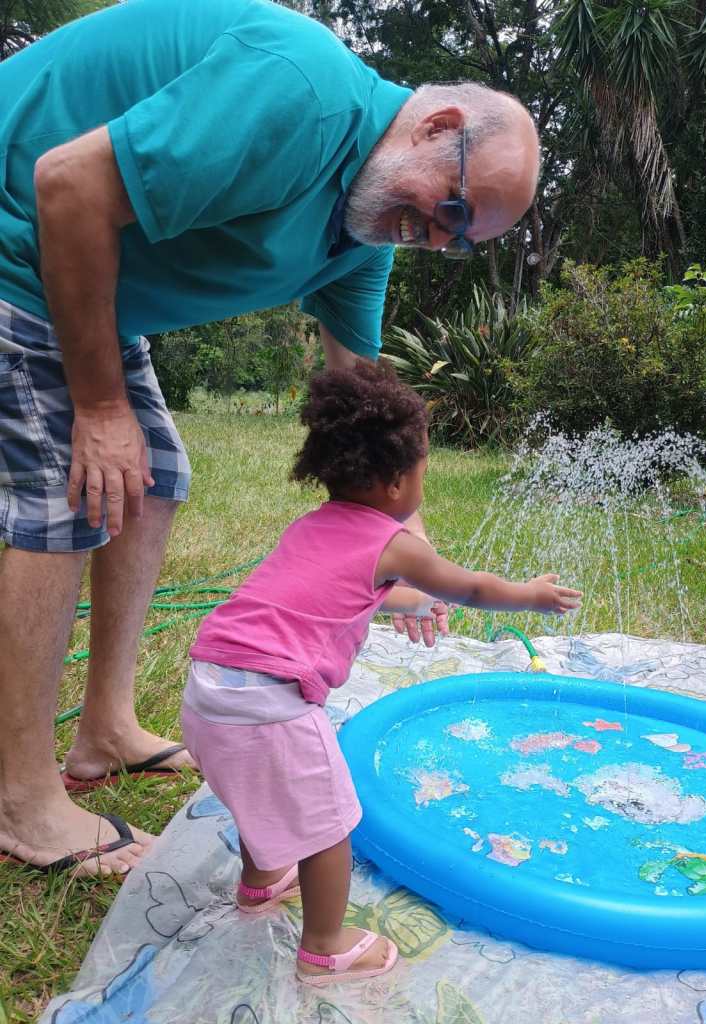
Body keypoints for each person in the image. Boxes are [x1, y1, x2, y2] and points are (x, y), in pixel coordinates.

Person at [0, 0, 540, 875]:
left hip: (93, 290)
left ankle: (106, 728)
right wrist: (98, 409)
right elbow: (67, 185)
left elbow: (369, 408)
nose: (436, 236)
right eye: (451, 207)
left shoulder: (361, 235)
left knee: (155, 478)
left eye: (458, 241)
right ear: (438, 127)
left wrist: (407, 552)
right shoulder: (300, 91)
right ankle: (22, 800)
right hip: (19, 252)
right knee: (72, 488)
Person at [181, 360, 581, 985]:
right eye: (424, 469)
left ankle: (260, 882)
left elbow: (344, 590)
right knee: (329, 820)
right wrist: (529, 595)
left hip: (210, 685)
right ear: (398, 480)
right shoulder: (396, 543)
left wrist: (414, 603)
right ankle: (325, 947)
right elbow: (471, 586)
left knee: (265, 790)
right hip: (269, 700)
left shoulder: (312, 525)